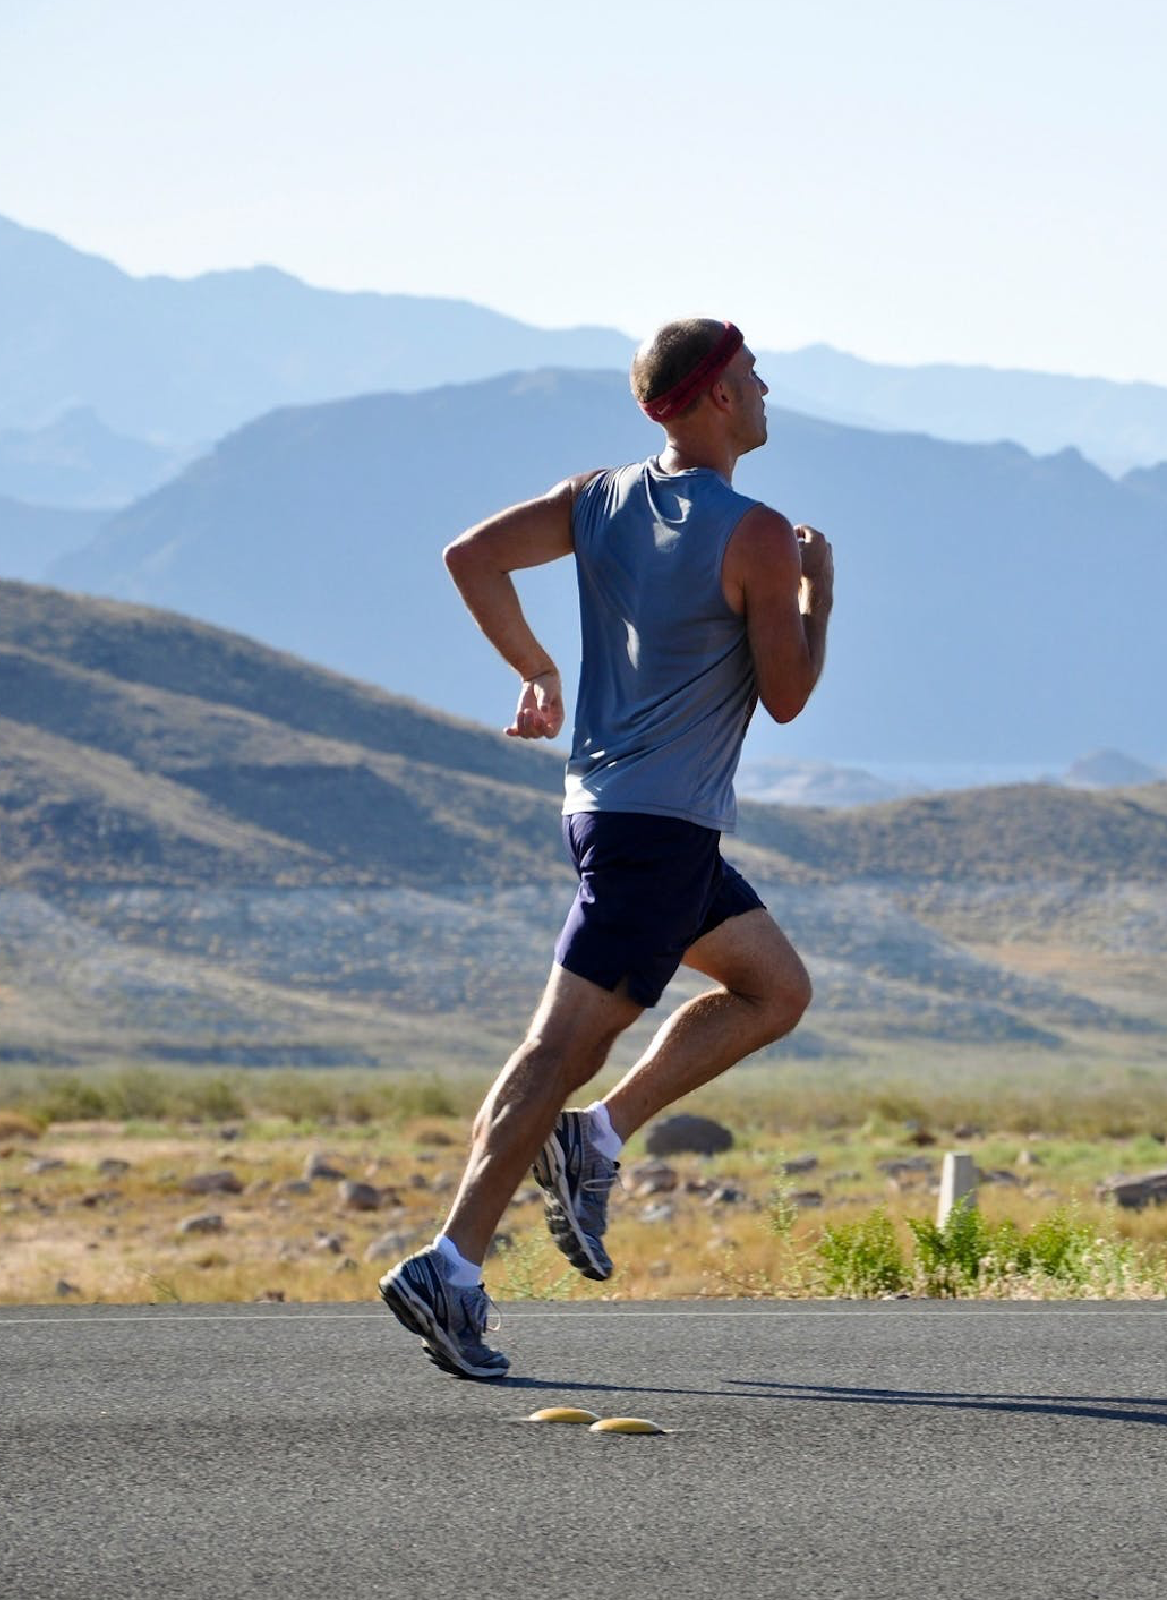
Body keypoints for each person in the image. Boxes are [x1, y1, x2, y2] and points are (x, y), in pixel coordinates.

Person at [378, 317, 835, 1379]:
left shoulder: (597, 497)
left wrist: (535, 667)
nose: (768, 393)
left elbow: (471, 555)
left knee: (774, 989)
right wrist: (818, 593)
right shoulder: (758, 534)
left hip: (615, 814)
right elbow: (788, 695)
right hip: (657, 832)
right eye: (756, 378)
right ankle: (450, 1262)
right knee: (557, 1048)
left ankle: (596, 1137)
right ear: (718, 394)